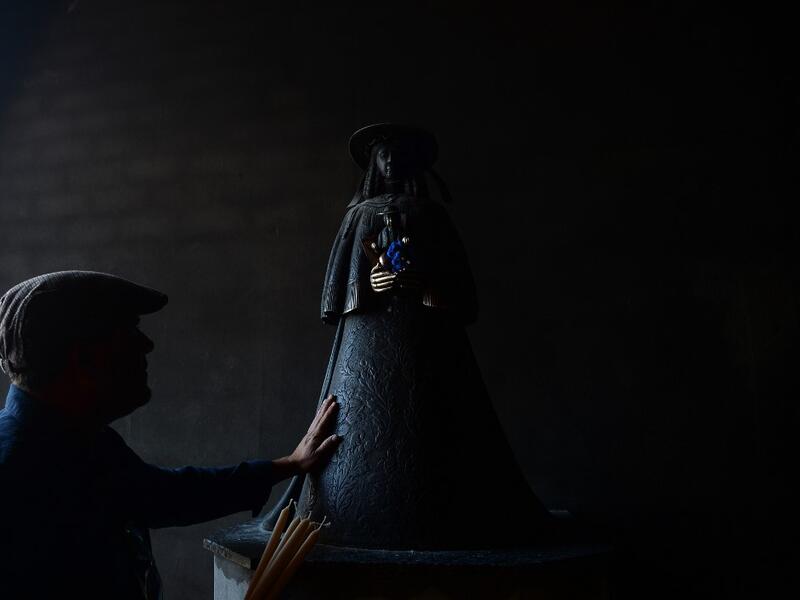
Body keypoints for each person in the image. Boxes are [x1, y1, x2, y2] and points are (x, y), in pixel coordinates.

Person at [0, 270, 341, 600]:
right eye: (129, 330)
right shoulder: (14, 473)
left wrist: (288, 465)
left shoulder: (83, 443)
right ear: (84, 359)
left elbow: (165, 494)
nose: (147, 344)